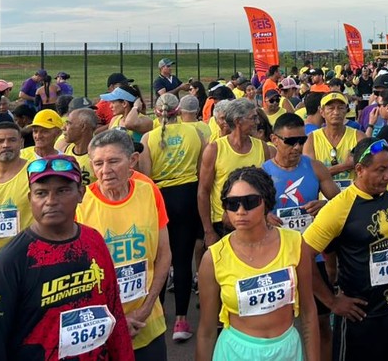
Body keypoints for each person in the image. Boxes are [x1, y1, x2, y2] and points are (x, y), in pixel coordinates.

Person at [0, 154, 135, 361]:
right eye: (41, 193)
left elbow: (115, 313)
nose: (51, 201)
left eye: (62, 191)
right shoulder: (10, 262)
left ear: (80, 193)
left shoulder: (94, 241)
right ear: (30, 198)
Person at [302, 138, 388, 361]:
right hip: (360, 317)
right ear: (359, 169)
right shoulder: (338, 207)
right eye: (380, 170)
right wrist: (332, 301)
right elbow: (302, 255)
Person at [196, 166, 319, 361]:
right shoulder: (213, 258)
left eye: (250, 202)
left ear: (267, 203)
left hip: (287, 351)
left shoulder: (295, 243)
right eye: (232, 203)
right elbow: (206, 331)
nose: (241, 211)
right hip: (235, 353)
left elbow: (309, 312)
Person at [78, 130, 171, 360]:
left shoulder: (149, 192)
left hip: (147, 323)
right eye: (98, 163)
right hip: (101, 331)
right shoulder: (80, 205)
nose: (105, 170)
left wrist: (146, 308)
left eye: (113, 161)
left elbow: (164, 254)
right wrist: (115, 322)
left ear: (132, 161)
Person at [264, 113, 341, 353]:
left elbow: (341, 204)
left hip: (312, 256)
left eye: (302, 140)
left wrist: (325, 206)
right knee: (277, 326)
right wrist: (264, 216)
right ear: (274, 140)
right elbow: (242, 214)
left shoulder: (314, 167)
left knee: (320, 323)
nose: (297, 147)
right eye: (290, 141)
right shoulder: (262, 173)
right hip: (276, 259)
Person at [141, 92, 206, 343]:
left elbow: (146, 177)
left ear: (156, 113)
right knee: (182, 260)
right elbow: (201, 171)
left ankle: (157, 314)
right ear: (179, 111)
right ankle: (181, 320)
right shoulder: (195, 133)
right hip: (188, 195)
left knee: (158, 260)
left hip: (160, 197)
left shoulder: (149, 138)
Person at [199, 98, 273, 245]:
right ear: (238, 121)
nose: (257, 122)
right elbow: (203, 191)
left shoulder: (262, 147)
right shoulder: (214, 149)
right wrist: (208, 230)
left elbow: (267, 188)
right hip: (223, 224)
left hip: (255, 221)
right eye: (253, 118)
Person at [0, 121, 32, 249]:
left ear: (21, 143)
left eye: (12, 140)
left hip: (29, 254)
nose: (6, 145)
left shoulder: (35, 173)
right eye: (0, 141)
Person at [303, 93, 365, 191]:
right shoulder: (311, 139)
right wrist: (345, 166)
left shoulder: (358, 136)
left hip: (353, 197)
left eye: (340, 108)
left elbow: (367, 170)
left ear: (346, 110)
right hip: (322, 199)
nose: (336, 112)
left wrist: (324, 172)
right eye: (331, 108)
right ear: (321, 111)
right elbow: (311, 175)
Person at [63, 106, 98, 185]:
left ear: (83, 127)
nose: (63, 128)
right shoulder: (67, 149)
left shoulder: (99, 155)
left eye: (69, 123)